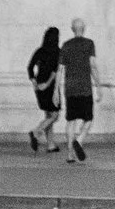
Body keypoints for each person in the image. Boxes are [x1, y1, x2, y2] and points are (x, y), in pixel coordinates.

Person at [60, 17, 97, 162]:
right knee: (88, 119)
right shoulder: (89, 44)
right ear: (84, 28)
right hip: (85, 88)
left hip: (70, 88)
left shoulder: (66, 45)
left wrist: (57, 90)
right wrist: (99, 85)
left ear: (72, 29)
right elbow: (93, 65)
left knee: (70, 121)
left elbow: (60, 68)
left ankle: (70, 154)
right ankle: (79, 140)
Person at [27, 26, 63, 152]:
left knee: (48, 114)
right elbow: (55, 71)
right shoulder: (58, 52)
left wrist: (34, 82)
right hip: (50, 86)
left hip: (39, 85)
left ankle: (51, 145)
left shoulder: (39, 51)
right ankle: (37, 131)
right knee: (55, 115)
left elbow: (30, 67)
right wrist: (47, 84)